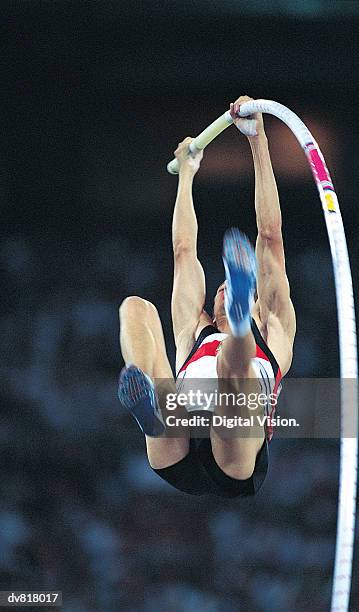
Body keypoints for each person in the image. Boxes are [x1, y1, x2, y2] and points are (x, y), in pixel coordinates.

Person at [118, 95, 296, 497]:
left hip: (234, 451)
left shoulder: (274, 332)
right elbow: (184, 251)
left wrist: (258, 140)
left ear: (255, 302)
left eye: (231, 291)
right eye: (223, 289)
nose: (218, 288)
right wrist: (186, 174)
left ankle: (237, 324)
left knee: (233, 368)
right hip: (175, 435)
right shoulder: (191, 332)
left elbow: (270, 237)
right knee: (136, 308)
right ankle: (149, 409)